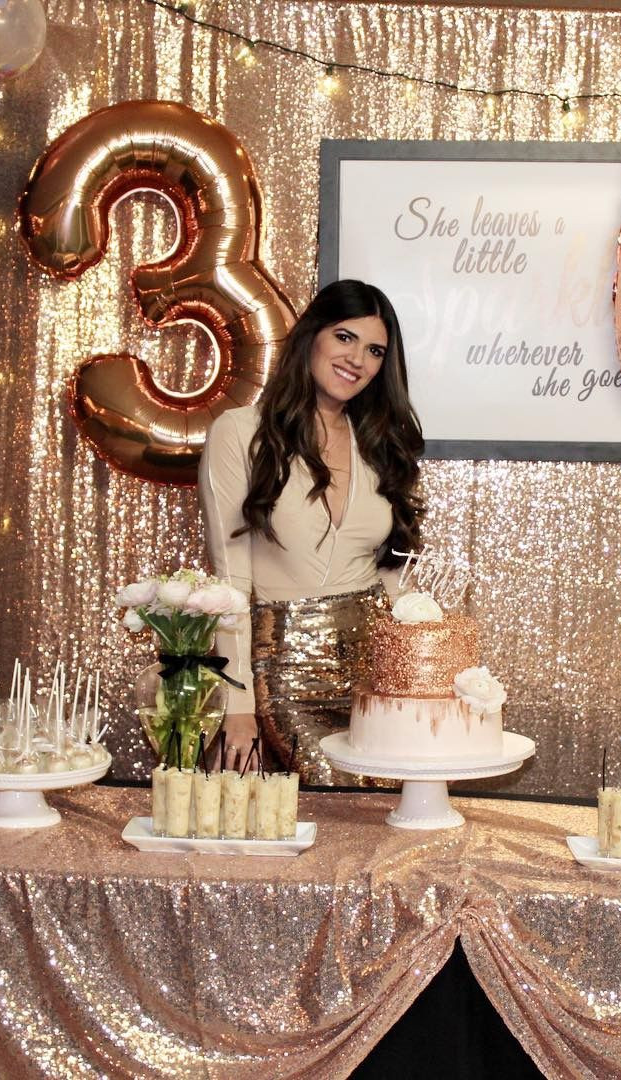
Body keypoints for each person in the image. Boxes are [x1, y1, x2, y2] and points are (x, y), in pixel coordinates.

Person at [199, 279, 424, 781]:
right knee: (337, 800)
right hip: (285, 671)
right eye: (345, 337)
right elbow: (230, 581)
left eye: (374, 351)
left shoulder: (380, 442)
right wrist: (237, 704)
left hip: (376, 677)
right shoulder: (240, 433)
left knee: (381, 811)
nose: (358, 360)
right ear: (311, 336)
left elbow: (393, 575)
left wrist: (425, 667)